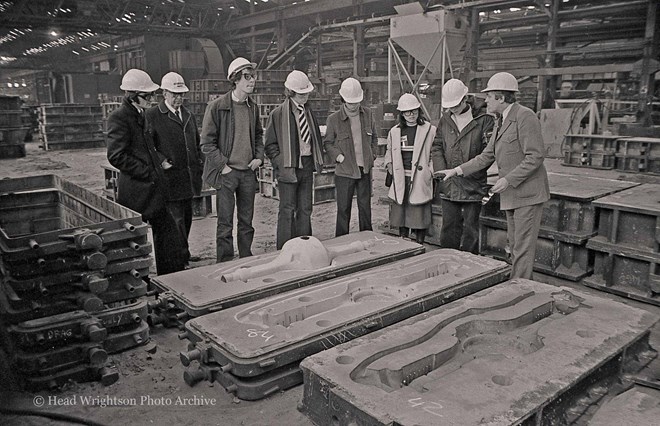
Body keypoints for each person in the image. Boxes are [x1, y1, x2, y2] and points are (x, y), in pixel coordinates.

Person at [435, 72, 550, 279]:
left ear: (501, 98)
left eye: (489, 96)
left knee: (522, 247)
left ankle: (521, 287)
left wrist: (507, 180)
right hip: (513, 194)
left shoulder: (525, 116)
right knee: (515, 244)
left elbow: (535, 156)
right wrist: (456, 170)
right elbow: (486, 156)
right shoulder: (500, 121)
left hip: (527, 194)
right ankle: (520, 282)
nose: (485, 99)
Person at [106, 69, 175, 275]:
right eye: (148, 95)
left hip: (153, 189)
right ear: (133, 95)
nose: (152, 99)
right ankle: (141, 281)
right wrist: (148, 172)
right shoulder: (119, 118)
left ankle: (168, 280)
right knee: (135, 243)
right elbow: (116, 156)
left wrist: (160, 162)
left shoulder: (141, 115)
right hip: (137, 192)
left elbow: (148, 146)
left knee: (167, 236)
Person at [200, 57, 264, 262]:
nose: (252, 80)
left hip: (247, 173)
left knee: (246, 221)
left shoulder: (252, 107)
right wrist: (223, 166)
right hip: (227, 174)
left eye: (253, 76)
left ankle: (245, 256)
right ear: (235, 79)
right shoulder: (217, 107)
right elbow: (206, 144)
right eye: (247, 76)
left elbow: (258, 135)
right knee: (225, 222)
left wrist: (259, 158)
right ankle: (225, 261)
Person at [143, 72, 202, 273]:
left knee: (186, 219)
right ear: (164, 93)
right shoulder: (152, 116)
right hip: (170, 180)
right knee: (175, 222)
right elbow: (147, 144)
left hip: (188, 178)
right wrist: (161, 160)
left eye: (181, 94)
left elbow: (195, 142)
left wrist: (199, 164)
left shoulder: (188, 115)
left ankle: (183, 255)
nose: (178, 98)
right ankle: (178, 260)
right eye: (174, 94)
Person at [431, 79, 494, 254]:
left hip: (473, 183)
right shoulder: (445, 119)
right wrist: (441, 171)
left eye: (457, 104)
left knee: (470, 230)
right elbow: (437, 146)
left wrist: (470, 171)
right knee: (449, 227)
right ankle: (446, 260)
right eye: (450, 106)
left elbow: (488, 154)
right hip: (449, 184)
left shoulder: (484, 119)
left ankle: (468, 267)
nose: (453, 109)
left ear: (465, 98)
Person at [264, 70, 324, 249]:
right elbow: (270, 145)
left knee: (305, 208)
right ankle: (285, 248)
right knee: (287, 209)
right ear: (290, 92)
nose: (305, 96)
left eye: (307, 93)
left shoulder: (309, 112)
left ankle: (305, 246)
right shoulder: (278, 114)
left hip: (306, 165)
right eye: (301, 93)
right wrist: (280, 163)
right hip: (288, 167)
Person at [324, 77, 378, 237]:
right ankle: (341, 240)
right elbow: (328, 143)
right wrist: (339, 157)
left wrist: (372, 155)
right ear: (343, 100)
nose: (354, 105)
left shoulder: (367, 114)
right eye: (350, 102)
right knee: (343, 209)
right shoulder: (333, 119)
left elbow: (374, 137)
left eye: (357, 102)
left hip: (365, 170)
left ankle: (368, 238)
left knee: (365, 207)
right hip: (345, 172)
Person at [385, 93, 436, 244]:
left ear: (419, 111)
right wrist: (389, 165)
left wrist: (430, 172)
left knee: (418, 212)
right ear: (401, 113)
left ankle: (419, 242)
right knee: (401, 211)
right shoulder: (394, 131)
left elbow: (435, 152)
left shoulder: (430, 130)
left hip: (420, 177)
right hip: (402, 176)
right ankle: (403, 241)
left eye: (414, 110)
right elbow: (389, 150)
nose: (411, 114)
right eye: (407, 112)